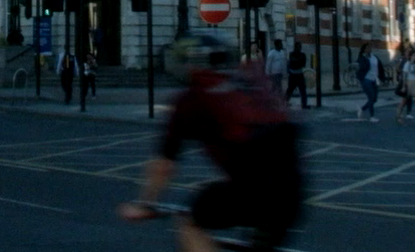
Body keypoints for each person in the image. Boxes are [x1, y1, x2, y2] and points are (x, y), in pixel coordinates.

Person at [118, 32, 302, 252]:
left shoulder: (192, 99)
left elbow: (163, 165)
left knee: (189, 219)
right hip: (293, 191)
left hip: (253, 190)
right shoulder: (251, 87)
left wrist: (145, 204)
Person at [355, 43, 381, 122]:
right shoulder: (362, 58)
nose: (369, 49)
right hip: (366, 79)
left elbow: (379, 67)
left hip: (374, 79)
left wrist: (381, 78)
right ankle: (372, 116)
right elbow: (360, 68)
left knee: (374, 99)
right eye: (367, 48)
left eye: (370, 47)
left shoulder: (374, 57)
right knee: (371, 97)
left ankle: (362, 109)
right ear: (364, 49)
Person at [286, 41, 310, 108]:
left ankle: (304, 104)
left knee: (302, 91)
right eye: (298, 46)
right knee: (290, 90)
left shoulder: (301, 55)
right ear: (295, 47)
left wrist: (297, 61)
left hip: (298, 74)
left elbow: (302, 64)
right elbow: (294, 61)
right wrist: (299, 60)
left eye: (300, 47)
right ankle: (285, 102)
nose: (299, 48)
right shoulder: (294, 54)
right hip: (294, 74)